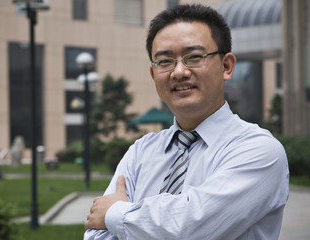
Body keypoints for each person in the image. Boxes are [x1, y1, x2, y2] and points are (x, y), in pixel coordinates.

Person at [84, 4, 289, 240]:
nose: (179, 72)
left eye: (194, 57)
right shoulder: (140, 152)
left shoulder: (258, 151)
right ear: (153, 74)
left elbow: (188, 229)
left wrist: (115, 213)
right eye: (164, 61)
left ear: (227, 66)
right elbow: (97, 236)